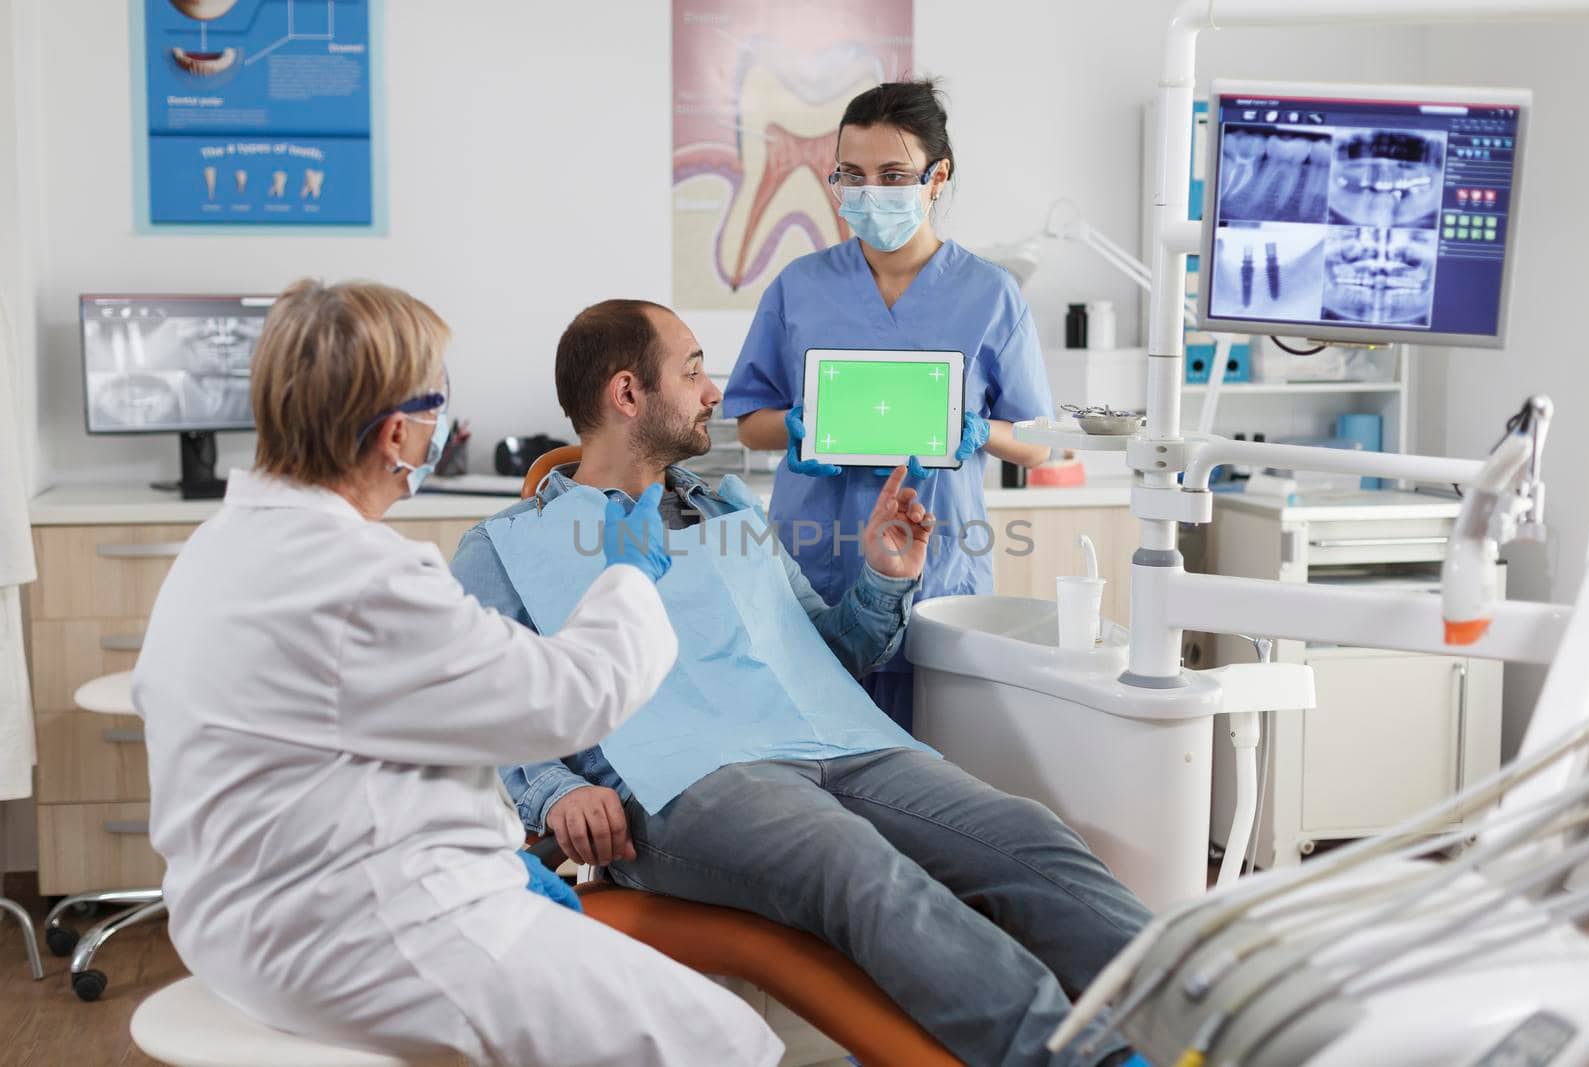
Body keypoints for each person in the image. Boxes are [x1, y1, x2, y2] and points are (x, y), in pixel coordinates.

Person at [451, 299, 1149, 1067]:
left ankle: (1219, 1016)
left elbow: (828, 649)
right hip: (685, 778)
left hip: (841, 742)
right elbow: (486, 717)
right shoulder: (506, 546)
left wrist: (886, 575)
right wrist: (554, 790)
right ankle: (1098, 1061)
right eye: (692, 370)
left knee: (1030, 837)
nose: (713, 391)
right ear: (627, 393)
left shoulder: (731, 506)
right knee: (854, 865)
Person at [133, 280, 782, 1067]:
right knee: (727, 1041)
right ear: (396, 432)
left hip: (231, 917)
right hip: (365, 932)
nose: (443, 426)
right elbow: (571, 699)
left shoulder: (218, 548)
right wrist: (632, 576)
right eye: (438, 403)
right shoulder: (365, 577)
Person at [723, 78, 1056, 730]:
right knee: (817, 789)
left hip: (935, 565)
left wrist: (977, 429)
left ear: (937, 178)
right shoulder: (800, 287)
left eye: (894, 174)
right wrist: (795, 428)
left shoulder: (990, 296)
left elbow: (1037, 440)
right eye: (852, 173)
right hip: (816, 565)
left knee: (933, 782)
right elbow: (749, 422)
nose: (870, 192)